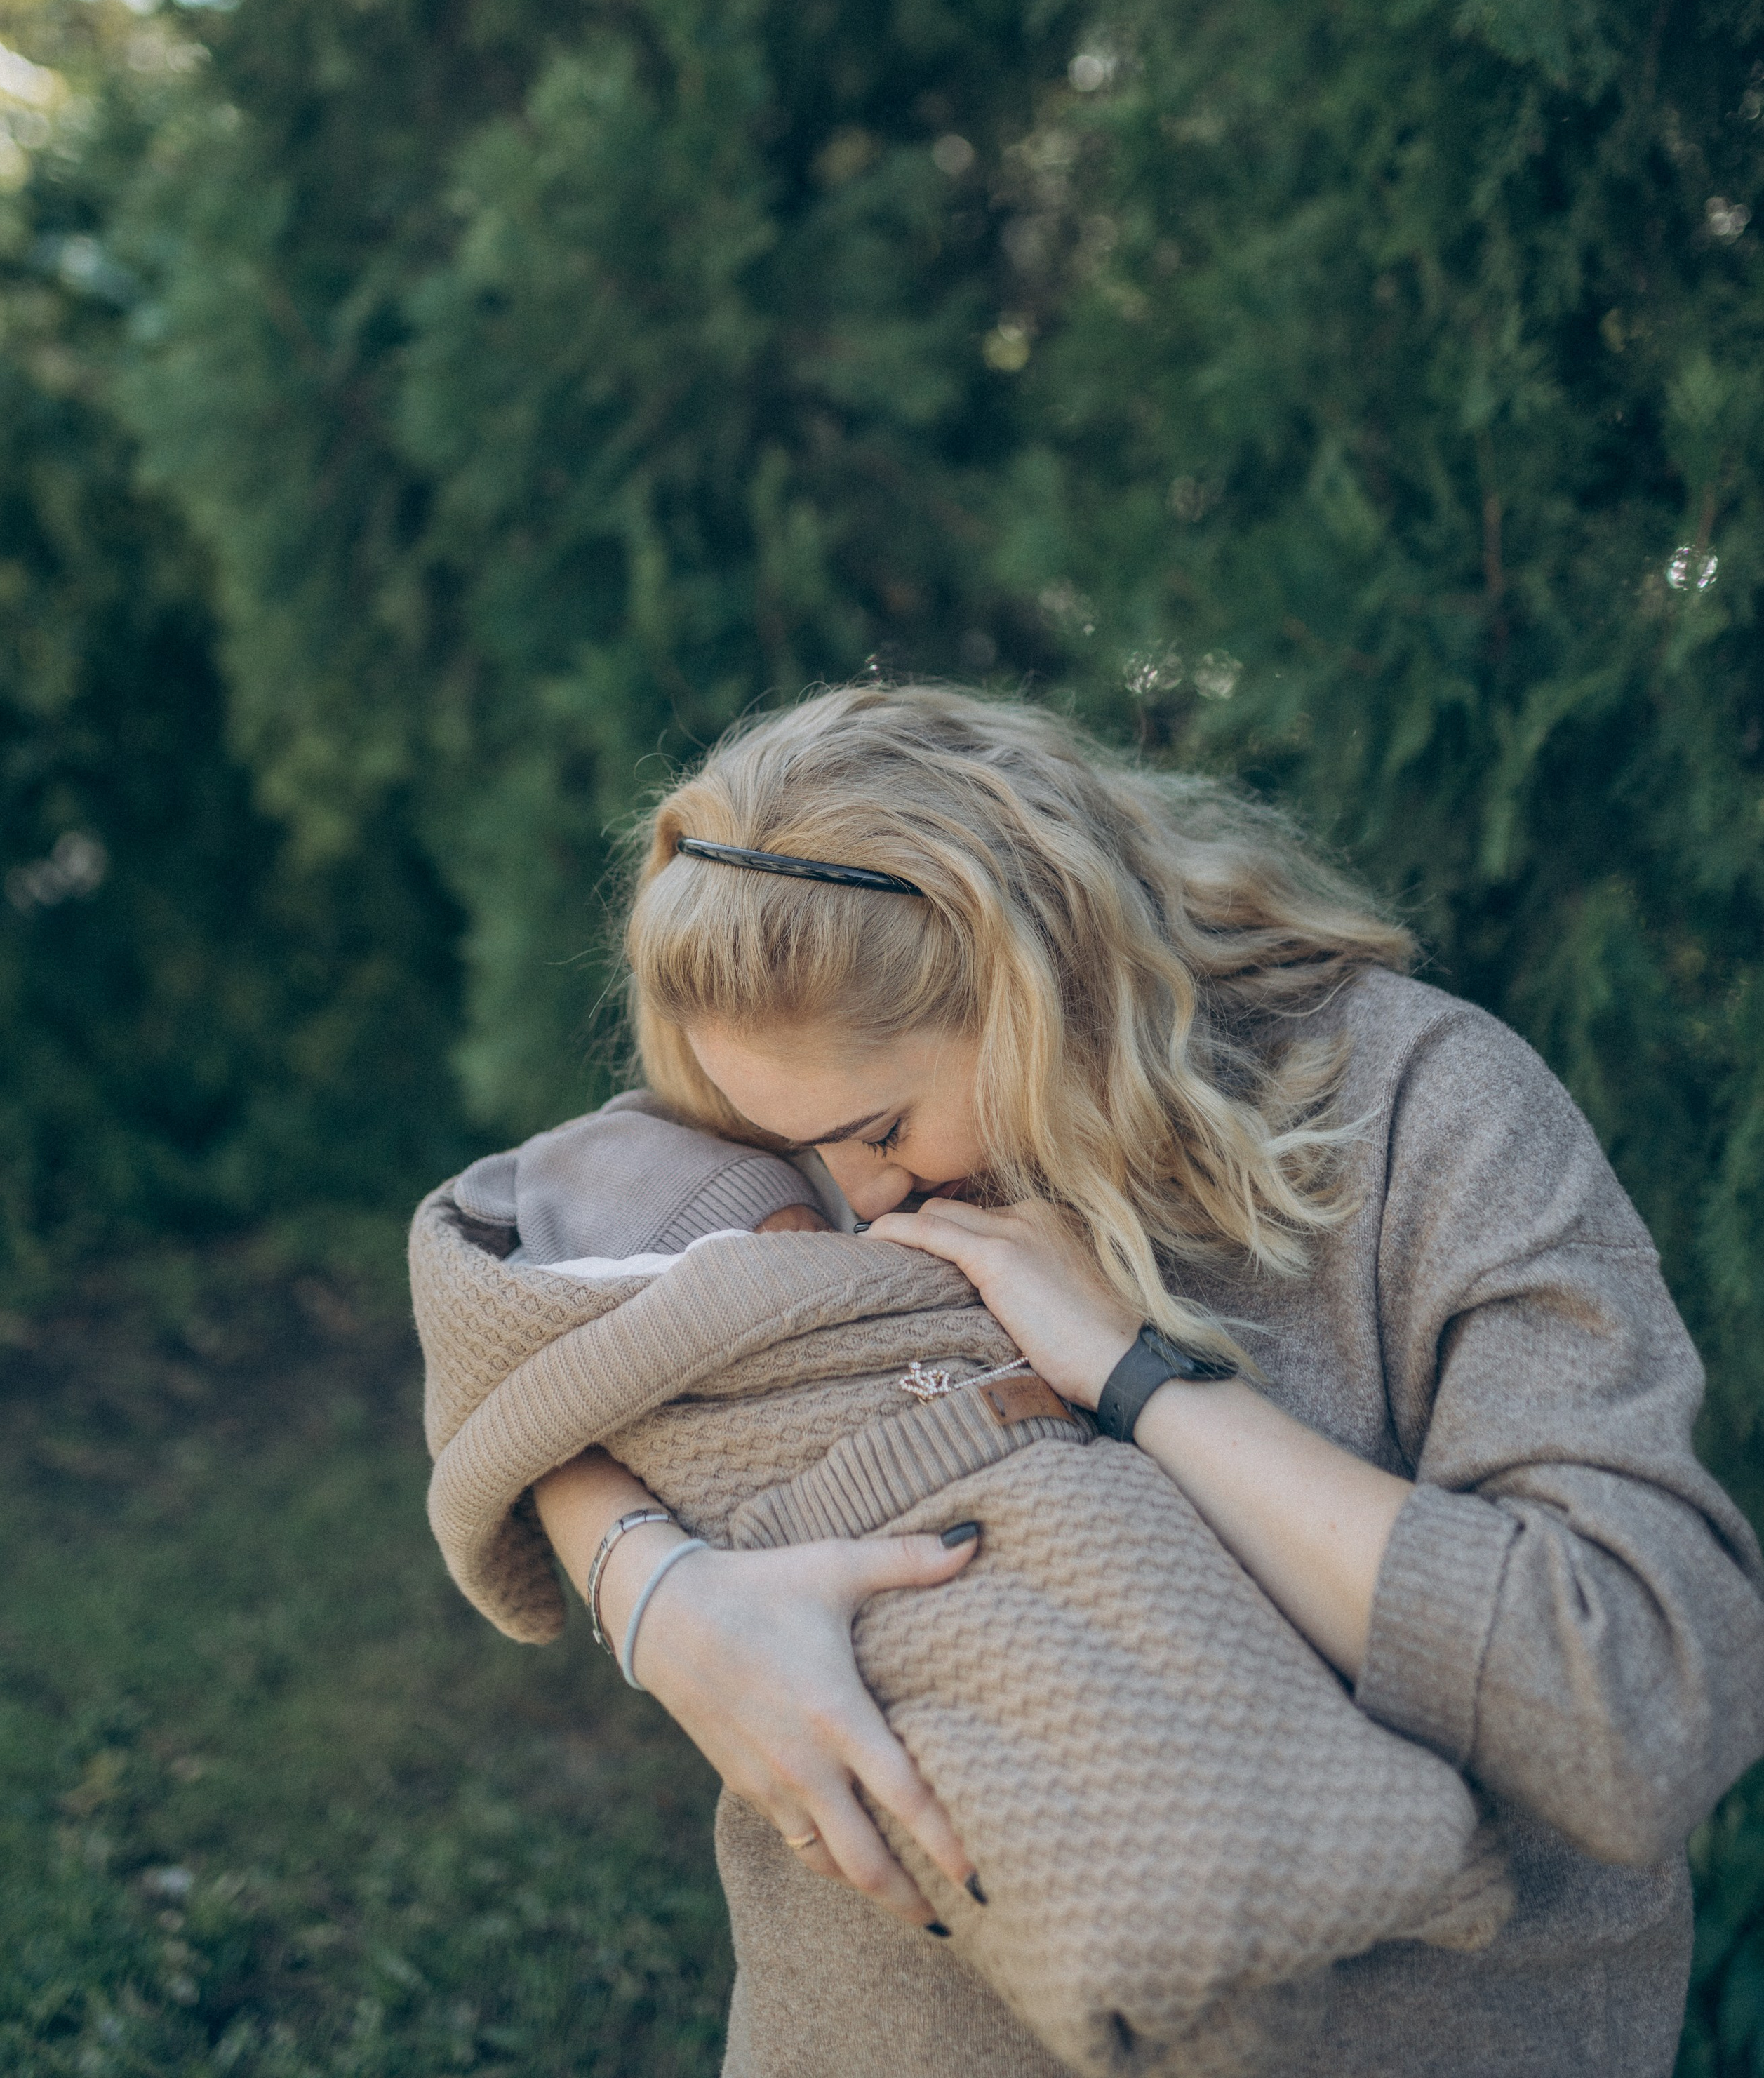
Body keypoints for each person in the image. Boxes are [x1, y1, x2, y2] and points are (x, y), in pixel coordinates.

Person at [528, 684, 1764, 2078]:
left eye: (879, 1132)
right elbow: (523, 1336)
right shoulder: (794, 1116)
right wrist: (658, 1603)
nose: (852, 1207)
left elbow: (1645, 1707)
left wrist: (1139, 1376)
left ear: (1032, 980)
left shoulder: (1425, 1112)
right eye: (791, 1145)